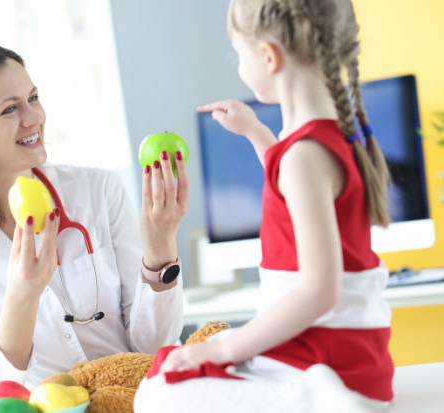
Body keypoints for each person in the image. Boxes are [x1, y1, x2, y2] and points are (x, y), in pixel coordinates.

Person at [135, 0, 394, 410]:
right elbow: (293, 187)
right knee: (171, 372)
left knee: (158, 396)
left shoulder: (304, 157)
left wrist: (222, 352)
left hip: (327, 361)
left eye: (239, 54)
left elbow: (319, 291)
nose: (239, 65)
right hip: (336, 349)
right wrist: (256, 133)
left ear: (269, 57)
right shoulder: (327, 140)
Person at [0, 42, 188, 408]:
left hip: (142, 400)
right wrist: (23, 294)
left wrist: (160, 249)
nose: (34, 117)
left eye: (33, 98)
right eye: (10, 109)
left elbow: (155, 348)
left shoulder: (97, 191)